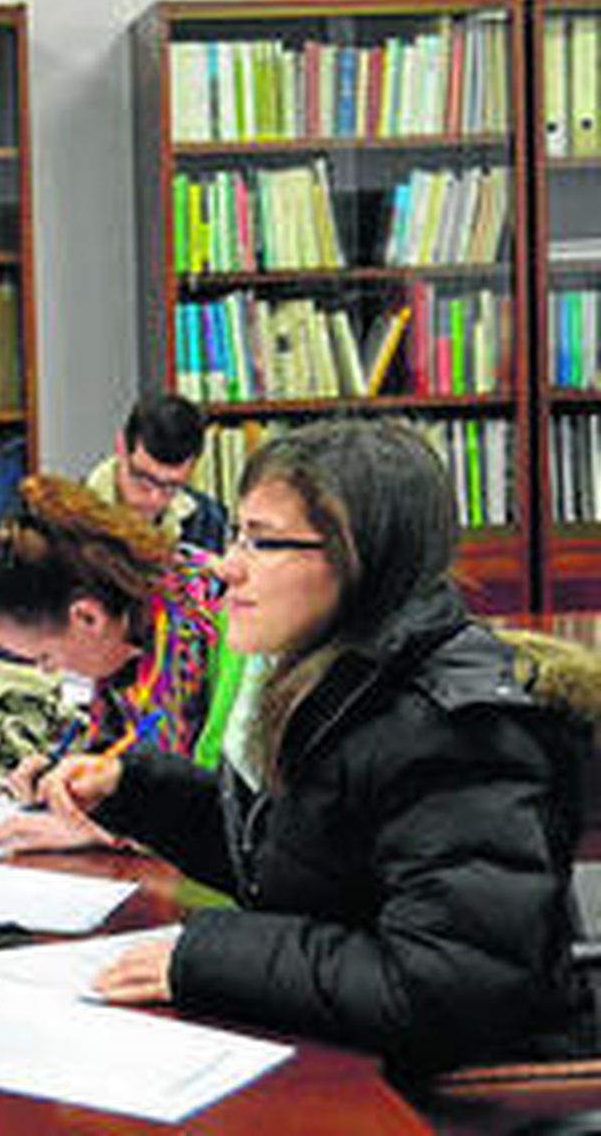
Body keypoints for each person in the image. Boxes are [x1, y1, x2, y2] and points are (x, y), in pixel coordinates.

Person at [39, 419, 599, 1077]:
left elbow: (445, 985)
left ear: (360, 559)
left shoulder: (453, 734)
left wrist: (205, 955)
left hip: (456, 1095)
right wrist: (134, 790)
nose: (227, 566)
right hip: (358, 1053)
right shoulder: (334, 680)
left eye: (265, 541)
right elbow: (295, 862)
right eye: (237, 534)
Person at [0, 474, 224, 850]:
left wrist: (97, 832)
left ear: (87, 617)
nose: (47, 671)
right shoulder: (122, 614)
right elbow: (119, 744)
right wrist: (63, 770)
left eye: (44, 656)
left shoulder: (194, 628)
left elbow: (210, 812)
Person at [86, 393, 229, 552]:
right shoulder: (69, 518)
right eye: (143, 481)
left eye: (171, 487)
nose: (154, 500)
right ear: (121, 447)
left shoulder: (209, 520)